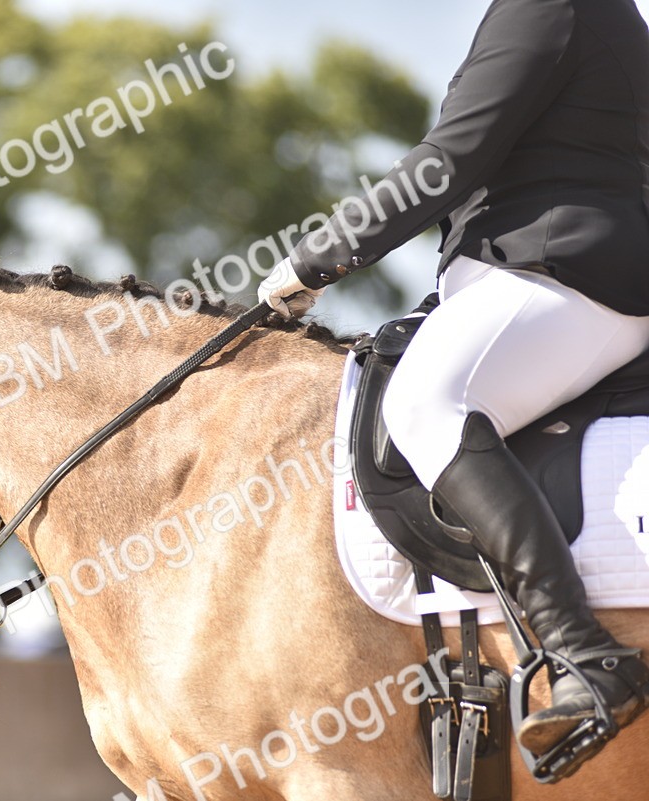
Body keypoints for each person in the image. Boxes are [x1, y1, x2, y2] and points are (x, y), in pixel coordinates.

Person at [258, 0, 649, 765]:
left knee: (428, 401)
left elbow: (453, 157)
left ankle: (585, 652)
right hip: (539, 270)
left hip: (562, 268)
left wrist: (319, 257)